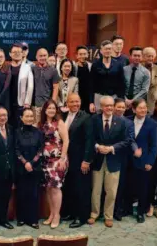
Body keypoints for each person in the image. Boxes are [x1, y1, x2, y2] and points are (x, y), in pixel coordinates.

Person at [87, 96, 131, 228]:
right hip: (97, 160)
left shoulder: (121, 122)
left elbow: (126, 141)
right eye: (106, 106)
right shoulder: (94, 120)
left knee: (111, 191)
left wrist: (112, 148)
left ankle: (108, 216)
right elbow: (89, 138)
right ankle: (94, 214)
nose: (110, 108)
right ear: (101, 107)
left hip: (114, 160)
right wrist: (97, 147)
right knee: (96, 190)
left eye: (111, 105)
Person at [60, 94, 92, 228]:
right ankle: (71, 213)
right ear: (67, 103)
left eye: (77, 102)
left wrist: (86, 160)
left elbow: (90, 140)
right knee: (70, 187)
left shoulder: (85, 117)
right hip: (68, 159)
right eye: (72, 102)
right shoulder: (64, 116)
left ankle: (81, 216)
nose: (75, 104)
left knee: (81, 188)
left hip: (80, 159)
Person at [125, 99, 157, 223]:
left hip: (144, 161)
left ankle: (140, 212)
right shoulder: (127, 120)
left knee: (143, 188)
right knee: (128, 185)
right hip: (128, 159)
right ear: (134, 109)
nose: (143, 110)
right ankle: (127, 209)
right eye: (140, 108)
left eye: (145, 108)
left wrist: (150, 162)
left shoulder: (152, 123)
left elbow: (154, 146)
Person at [38, 100, 69, 229]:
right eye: (49, 108)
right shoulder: (41, 124)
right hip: (45, 161)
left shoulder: (60, 123)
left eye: (53, 108)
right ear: (44, 110)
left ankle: (57, 215)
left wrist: (62, 158)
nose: (51, 110)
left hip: (57, 160)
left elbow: (66, 141)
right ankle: (51, 214)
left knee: (56, 188)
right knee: (48, 188)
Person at [15, 108, 45, 229]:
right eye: (26, 116)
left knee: (34, 194)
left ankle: (33, 219)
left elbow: (41, 149)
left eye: (31, 116)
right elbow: (15, 149)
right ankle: (21, 218)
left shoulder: (38, 132)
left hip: (35, 168)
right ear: (21, 118)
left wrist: (31, 163)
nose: (29, 118)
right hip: (21, 167)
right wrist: (24, 162)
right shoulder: (16, 132)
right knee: (21, 193)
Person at [111, 98, 136, 222]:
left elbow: (130, 139)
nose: (120, 109)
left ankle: (117, 210)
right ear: (113, 107)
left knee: (120, 185)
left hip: (122, 157)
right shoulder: (107, 119)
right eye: (118, 106)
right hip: (107, 156)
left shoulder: (129, 122)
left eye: (123, 107)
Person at [89, 40, 125, 113]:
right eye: (106, 49)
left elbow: (122, 84)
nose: (108, 51)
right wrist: (91, 102)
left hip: (114, 97)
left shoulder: (118, 64)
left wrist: (121, 100)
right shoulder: (95, 65)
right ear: (101, 51)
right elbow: (91, 84)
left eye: (109, 49)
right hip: (99, 97)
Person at [32, 48, 60, 125]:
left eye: (44, 55)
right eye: (40, 56)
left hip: (47, 105)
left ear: (47, 56)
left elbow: (55, 88)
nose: (42, 58)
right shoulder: (32, 69)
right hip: (35, 105)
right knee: (37, 127)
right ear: (36, 57)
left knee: (48, 127)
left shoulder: (53, 70)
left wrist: (52, 103)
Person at [9, 43, 34, 128]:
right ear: (10, 54)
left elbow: (30, 86)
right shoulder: (6, 67)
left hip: (21, 103)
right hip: (7, 102)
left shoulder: (27, 67)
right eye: (14, 52)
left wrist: (27, 102)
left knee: (19, 127)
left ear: (22, 53)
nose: (17, 54)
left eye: (19, 52)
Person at [123, 46, 150, 115]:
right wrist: (125, 99)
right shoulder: (124, 70)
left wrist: (132, 101)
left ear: (142, 57)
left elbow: (145, 90)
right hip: (123, 101)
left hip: (138, 103)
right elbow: (120, 86)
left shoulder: (146, 72)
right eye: (135, 55)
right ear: (131, 56)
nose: (137, 58)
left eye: (139, 56)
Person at [73, 46, 92, 113]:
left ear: (87, 55)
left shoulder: (91, 66)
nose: (83, 56)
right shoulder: (73, 67)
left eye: (84, 54)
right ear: (76, 56)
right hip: (77, 95)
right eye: (80, 54)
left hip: (89, 96)